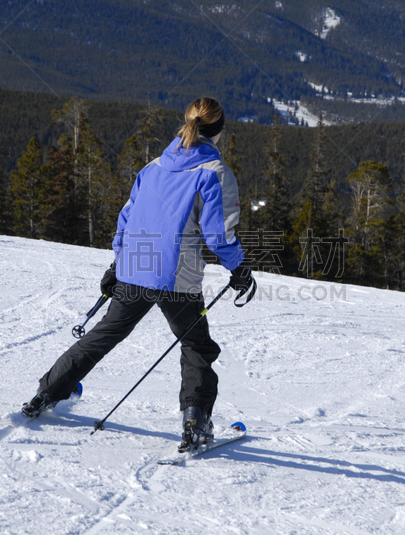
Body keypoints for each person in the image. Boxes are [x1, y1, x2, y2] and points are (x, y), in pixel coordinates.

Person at [20, 97, 255, 452]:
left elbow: (127, 220)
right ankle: (195, 424)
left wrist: (119, 264)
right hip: (177, 277)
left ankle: (46, 394)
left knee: (105, 334)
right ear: (219, 131)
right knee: (195, 345)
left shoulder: (154, 167)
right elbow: (219, 235)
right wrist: (239, 269)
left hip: (136, 268)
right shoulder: (215, 174)